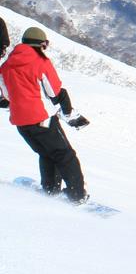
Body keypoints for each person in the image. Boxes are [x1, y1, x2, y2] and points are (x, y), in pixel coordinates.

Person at [0, 26, 90, 203]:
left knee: (47, 153)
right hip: (42, 118)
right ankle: (77, 195)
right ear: (42, 44)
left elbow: (6, 95)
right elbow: (54, 91)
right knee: (65, 155)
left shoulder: (6, 66)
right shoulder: (40, 62)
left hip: (20, 121)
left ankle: (50, 191)